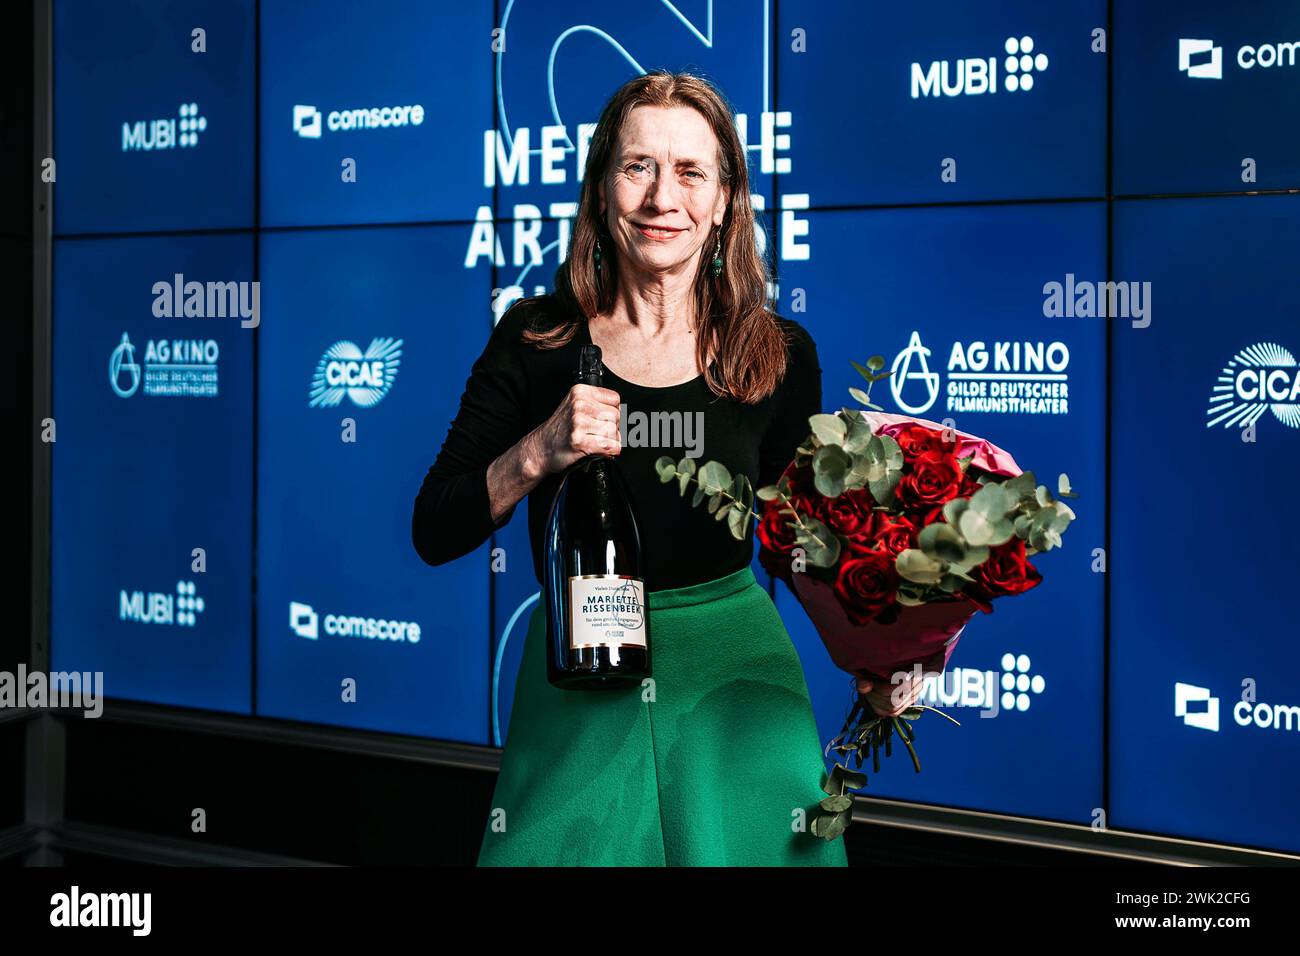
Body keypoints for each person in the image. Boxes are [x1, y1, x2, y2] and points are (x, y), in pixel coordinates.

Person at [412, 70, 848, 866]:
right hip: (581, 673)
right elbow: (434, 528)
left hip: (736, 682)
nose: (661, 198)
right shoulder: (535, 338)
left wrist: (883, 651)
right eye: (638, 167)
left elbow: (801, 544)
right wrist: (535, 453)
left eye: (690, 172)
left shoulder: (778, 355)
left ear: (724, 201)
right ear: (602, 186)